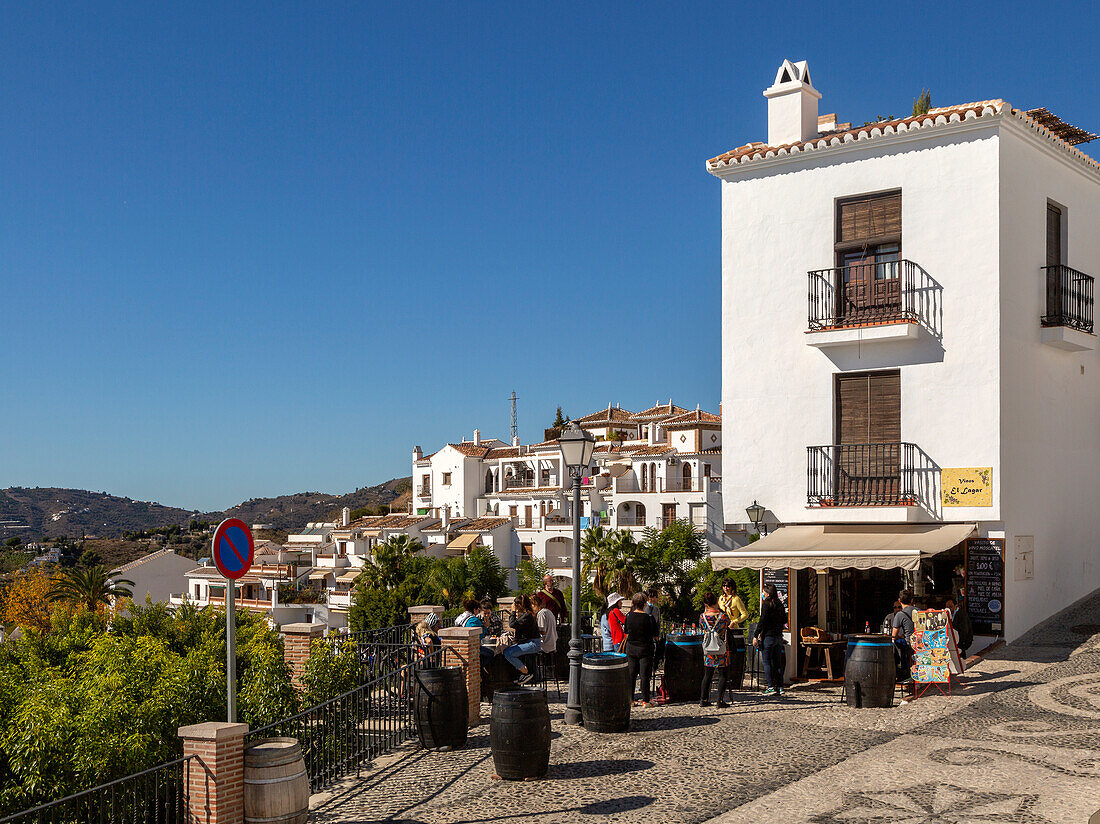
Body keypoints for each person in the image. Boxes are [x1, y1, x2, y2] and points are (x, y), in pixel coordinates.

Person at [623, 592, 658, 706]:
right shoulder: (649, 617)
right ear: (644, 604)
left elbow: (626, 631)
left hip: (631, 648)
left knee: (631, 674)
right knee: (644, 675)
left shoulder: (629, 616)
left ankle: (630, 699)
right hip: (645, 648)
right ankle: (645, 700)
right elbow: (655, 634)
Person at [752, 583, 787, 696]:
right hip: (778, 636)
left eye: (763, 592)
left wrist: (756, 635)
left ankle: (771, 686)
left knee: (767, 662)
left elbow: (762, 621)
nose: (762, 594)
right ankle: (780, 686)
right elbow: (784, 619)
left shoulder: (766, 604)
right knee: (777, 663)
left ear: (767, 593)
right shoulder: (780, 604)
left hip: (768, 636)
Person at [699, 592, 730, 707]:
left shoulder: (702, 617)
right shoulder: (722, 616)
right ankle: (720, 701)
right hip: (721, 647)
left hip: (708, 648)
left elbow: (702, 627)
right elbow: (728, 625)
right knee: (723, 674)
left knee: (707, 674)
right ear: (716, 601)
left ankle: (704, 699)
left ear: (705, 604)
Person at [504, 595, 542, 683]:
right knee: (509, 649)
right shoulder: (527, 614)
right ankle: (521, 673)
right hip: (530, 642)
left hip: (533, 644)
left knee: (508, 653)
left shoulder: (527, 616)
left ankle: (526, 673)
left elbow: (512, 624)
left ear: (519, 605)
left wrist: (513, 612)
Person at [892, 589, 916, 681]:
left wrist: (900, 636)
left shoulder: (900, 615)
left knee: (896, 644)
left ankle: (902, 672)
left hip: (909, 643)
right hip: (920, 643)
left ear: (899, 600)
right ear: (912, 600)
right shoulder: (919, 611)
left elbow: (893, 636)